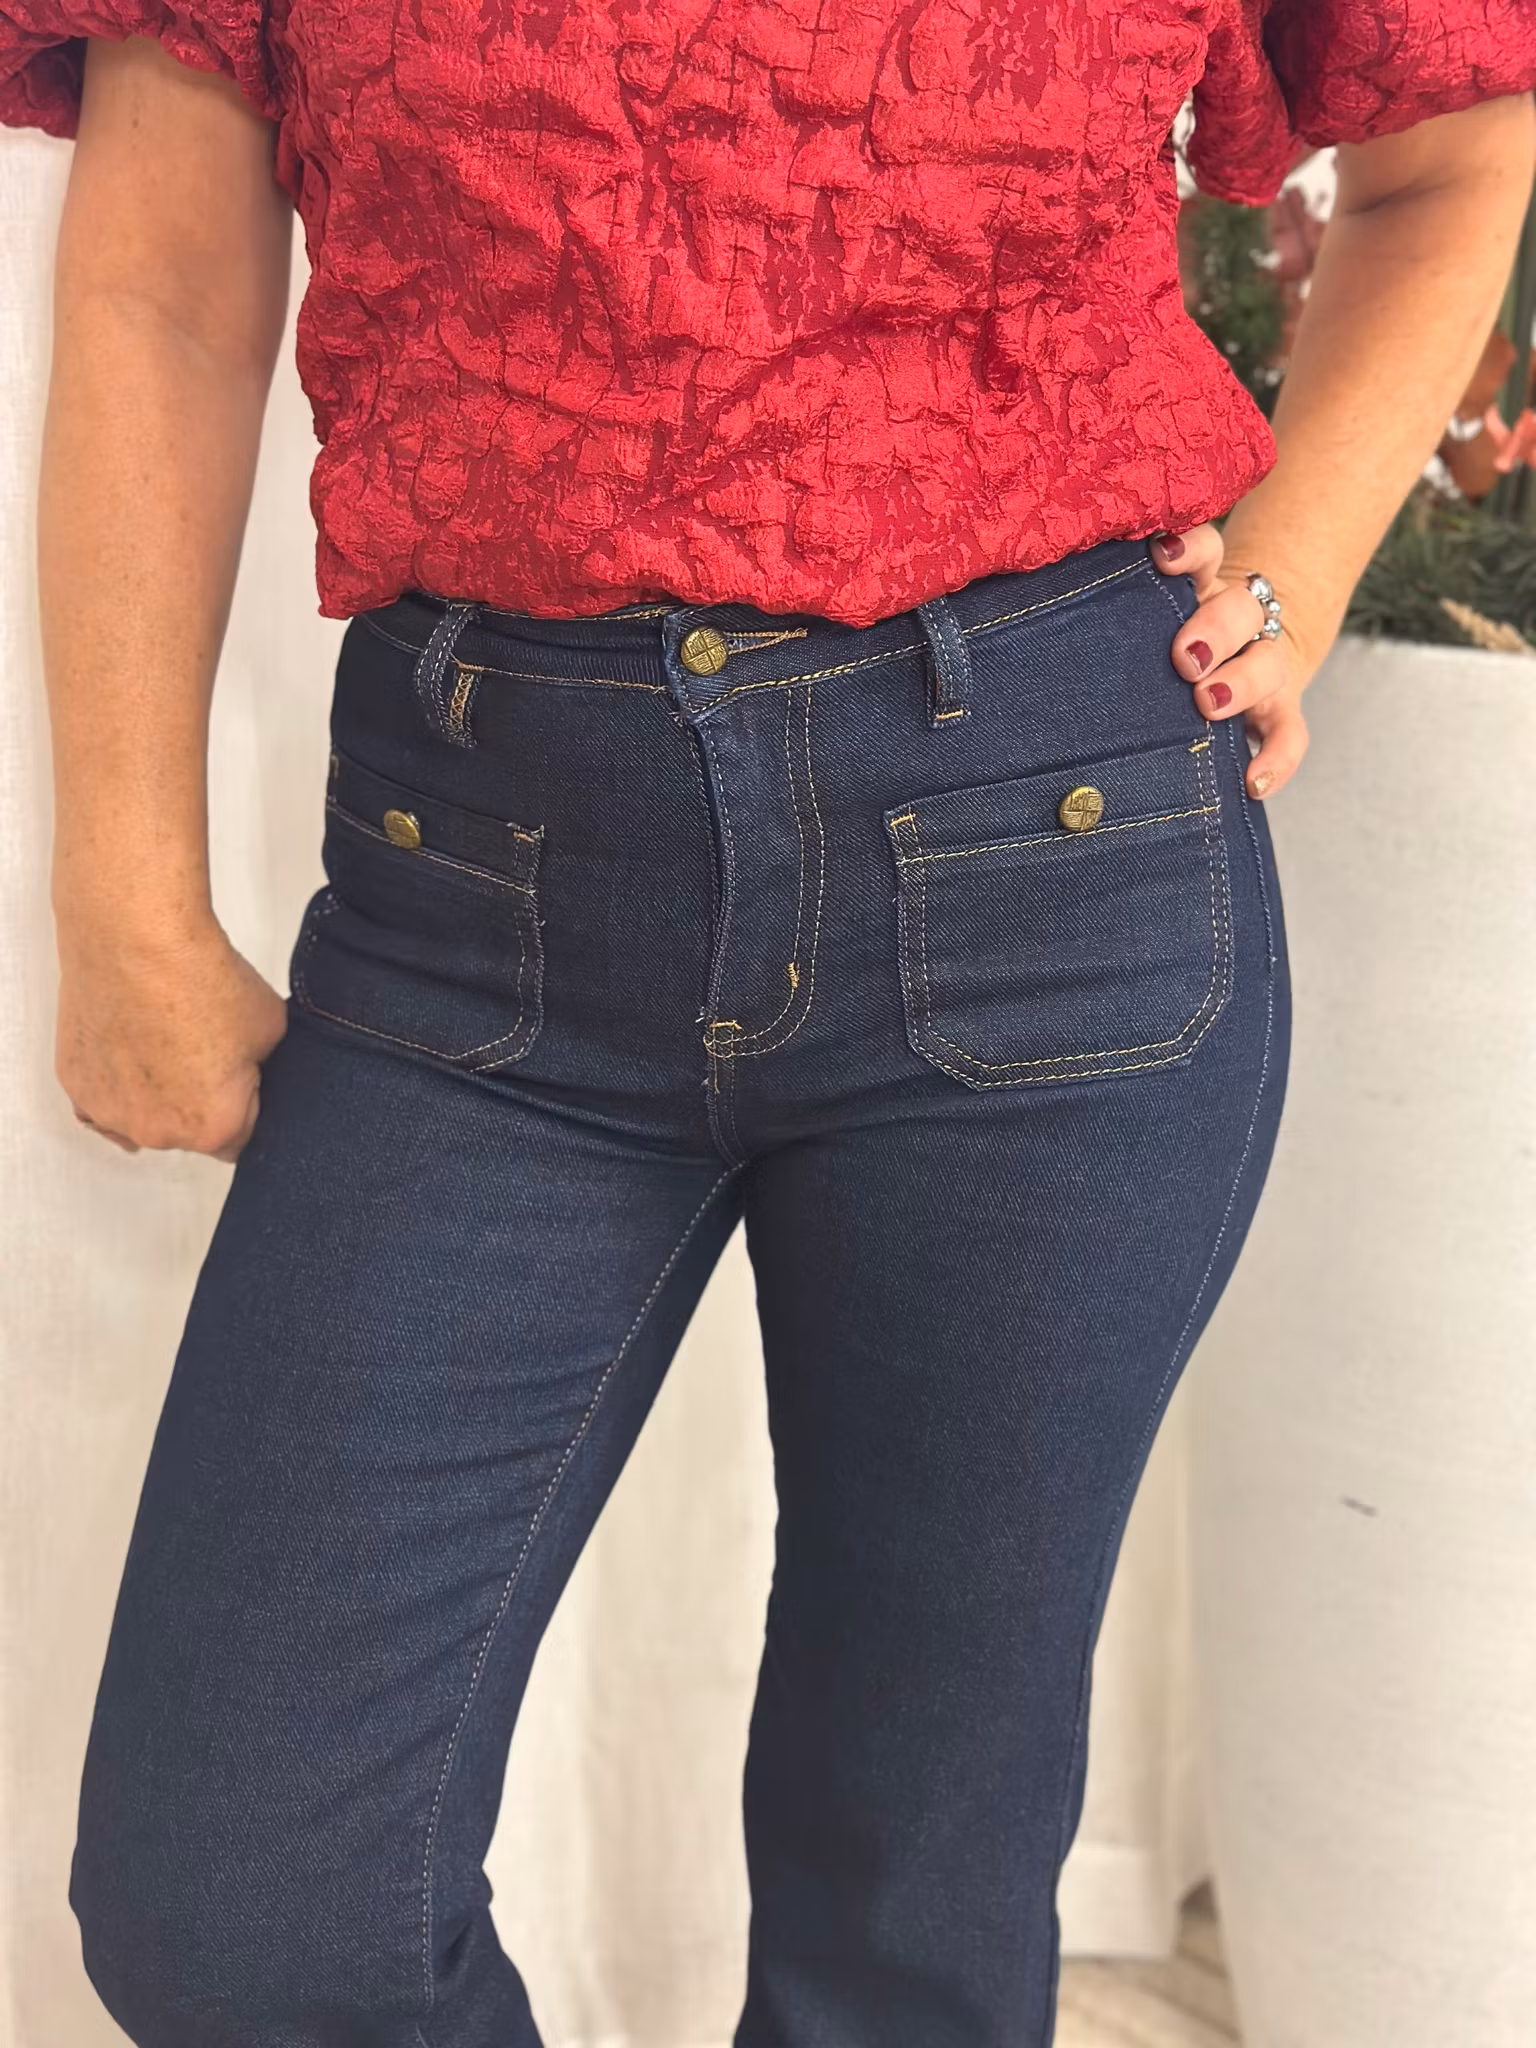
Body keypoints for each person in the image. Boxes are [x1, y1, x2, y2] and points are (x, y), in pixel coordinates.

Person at [3, 1, 1532, 2040]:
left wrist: (1294, 575)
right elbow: (163, 287)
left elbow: (1450, 150)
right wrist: (121, 893)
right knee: (241, 1894)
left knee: (906, 1910)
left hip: (1044, 859)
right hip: (478, 893)